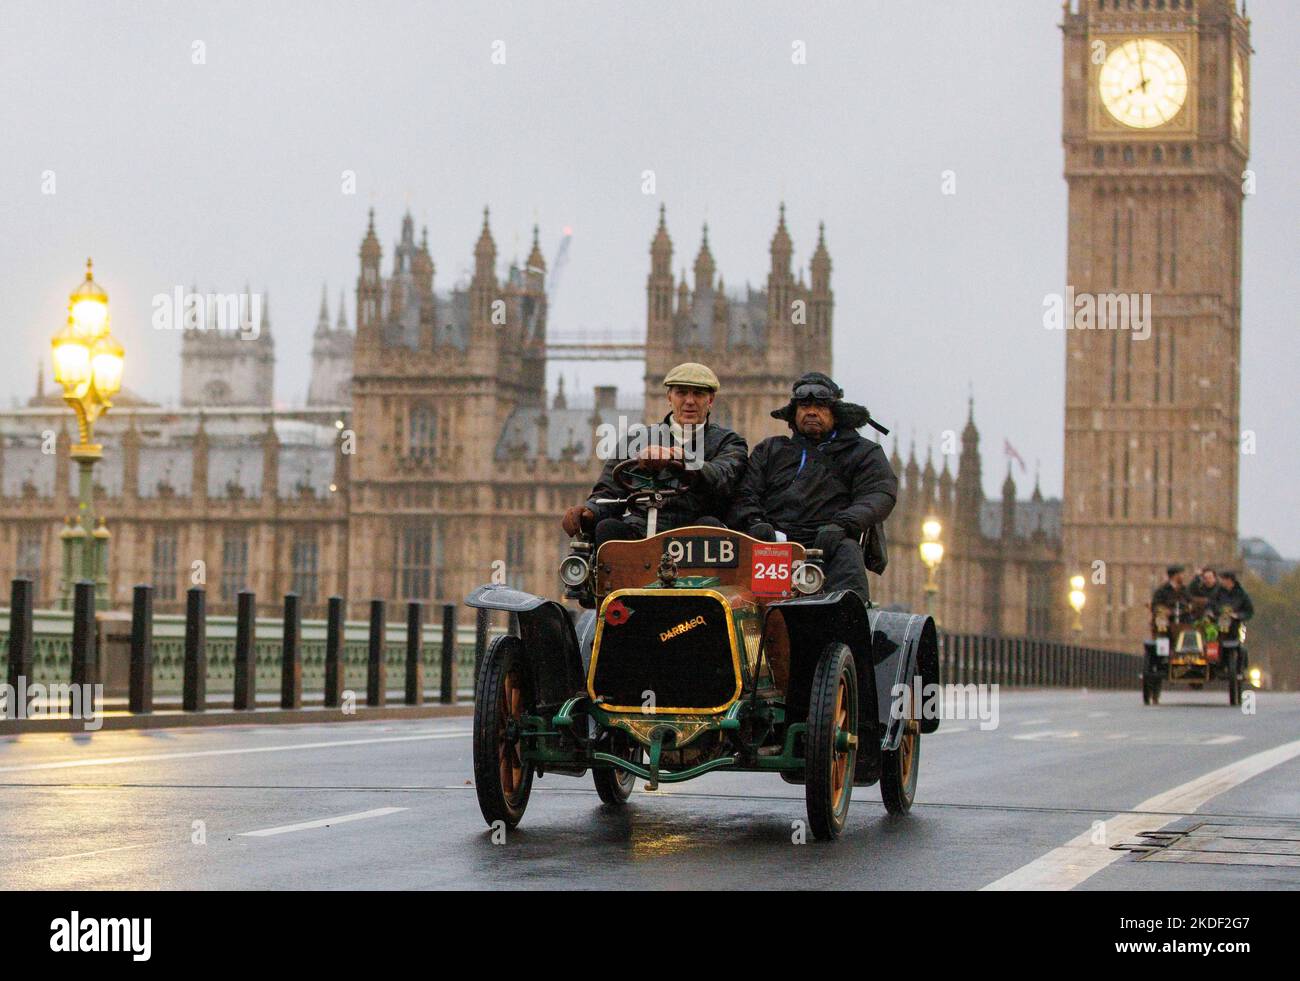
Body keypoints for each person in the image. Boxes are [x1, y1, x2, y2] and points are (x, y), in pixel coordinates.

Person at [727, 371, 897, 604]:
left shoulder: (863, 453)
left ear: (836, 413)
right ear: (794, 413)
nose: (811, 412)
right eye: (804, 406)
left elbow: (880, 493)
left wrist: (842, 525)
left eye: (821, 406)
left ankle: (846, 630)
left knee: (848, 553)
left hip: (827, 543)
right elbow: (745, 492)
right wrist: (755, 523)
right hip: (773, 542)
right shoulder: (771, 450)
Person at [560, 362, 748, 547]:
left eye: (698, 394)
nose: (689, 401)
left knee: (710, 528)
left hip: (694, 535)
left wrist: (677, 458)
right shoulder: (636, 439)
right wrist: (589, 511)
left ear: (710, 400)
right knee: (607, 529)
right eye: (681, 393)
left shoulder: (729, 442)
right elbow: (608, 492)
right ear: (669, 397)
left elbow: (722, 476)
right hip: (640, 533)